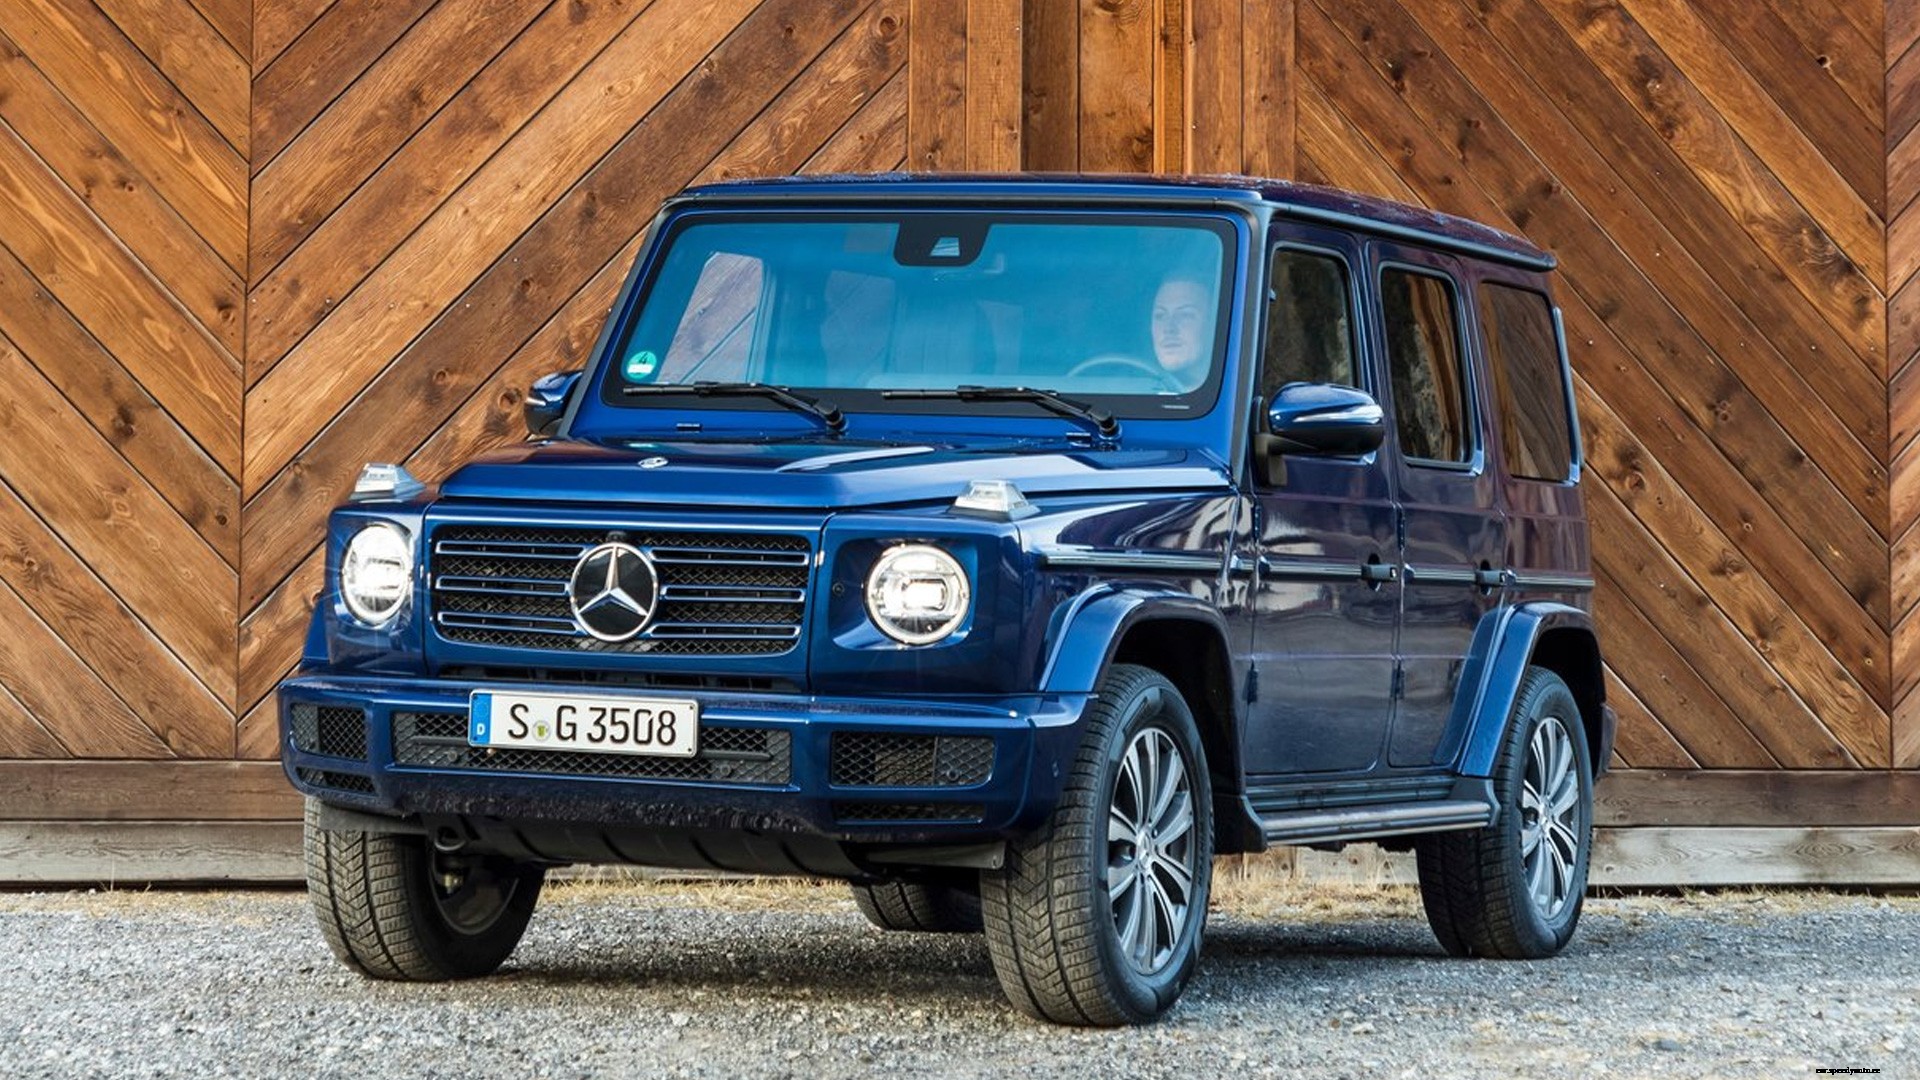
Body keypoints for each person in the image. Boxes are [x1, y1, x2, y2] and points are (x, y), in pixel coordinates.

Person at [1150, 274, 1215, 390]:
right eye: (1160, 316)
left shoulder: (1234, 398)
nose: (1169, 328)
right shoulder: (1133, 392)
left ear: (1212, 323)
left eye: (1185, 315)